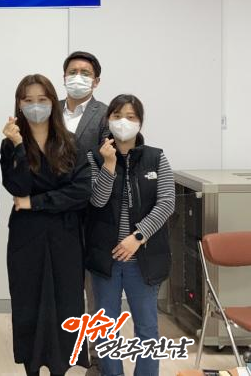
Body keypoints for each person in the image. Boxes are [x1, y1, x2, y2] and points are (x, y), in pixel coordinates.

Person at [1, 74, 91, 376]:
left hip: (65, 234)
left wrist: (36, 202)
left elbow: (81, 192)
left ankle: (61, 367)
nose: (35, 105)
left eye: (42, 99)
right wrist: (17, 145)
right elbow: (17, 187)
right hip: (27, 236)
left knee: (66, 301)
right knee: (28, 299)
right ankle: (31, 365)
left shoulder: (71, 142)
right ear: (19, 104)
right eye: (28, 100)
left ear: (53, 102)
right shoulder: (10, 144)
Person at [86, 94, 175, 376]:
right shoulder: (94, 157)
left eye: (131, 117)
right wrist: (109, 165)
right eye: (117, 116)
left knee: (147, 327)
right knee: (105, 327)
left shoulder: (156, 157)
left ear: (140, 122)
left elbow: (167, 203)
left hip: (143, 258)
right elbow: (97, 201)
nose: (123, 122)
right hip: (107, 258)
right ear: (108, 120)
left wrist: (137, 237)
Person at [59, 50, 109, 375]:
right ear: (64, 77)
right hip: (56, 213)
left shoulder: (105, 114)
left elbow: (110, 161)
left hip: (94, 212)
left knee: (96, 290)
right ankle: (66, 353)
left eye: (85, 72)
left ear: (96, 80)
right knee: (63, 287)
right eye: (73, 71)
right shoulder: (49, 111)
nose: (78, 77)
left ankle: (99, 361)